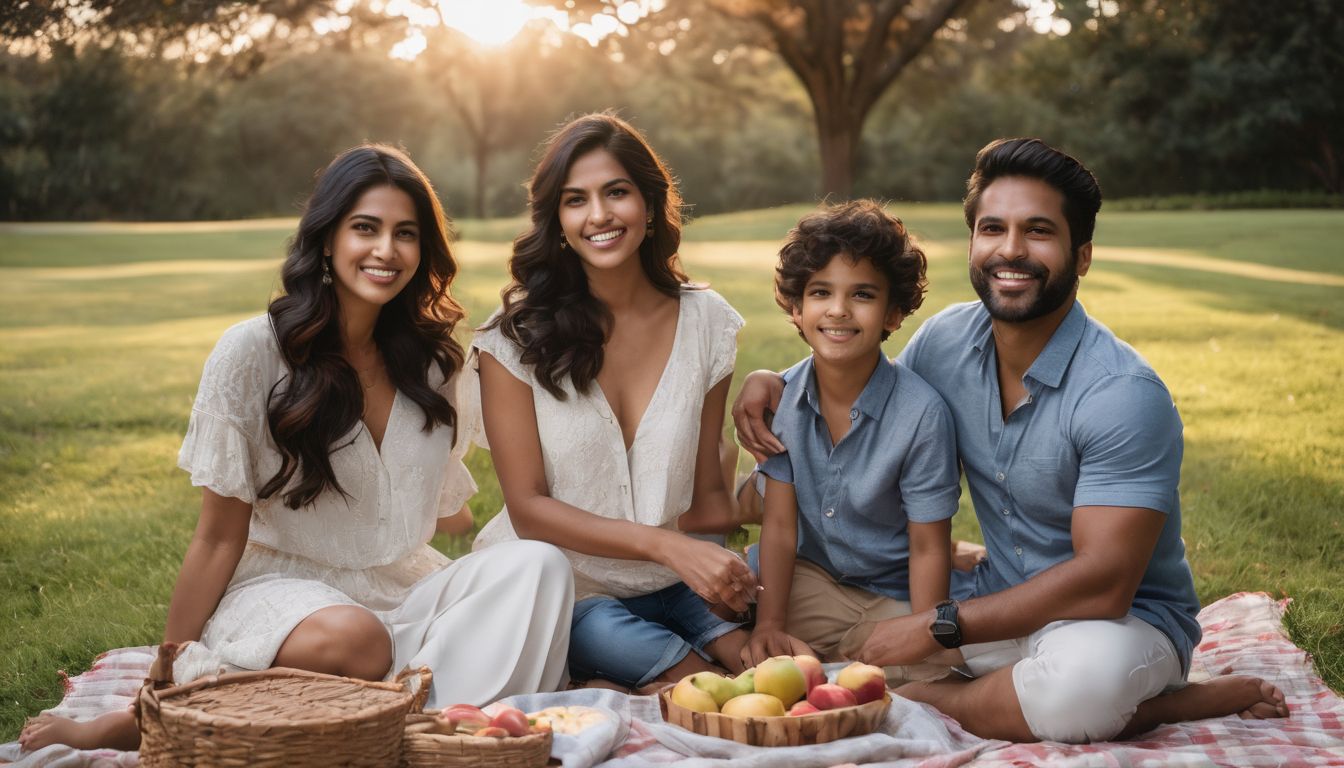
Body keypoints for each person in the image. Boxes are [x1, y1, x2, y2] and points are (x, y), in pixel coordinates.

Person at [19, 144, 573, 753]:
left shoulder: (435, 364)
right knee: (358, 639)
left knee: (539, 564)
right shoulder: (252, 353)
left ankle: (413, 720)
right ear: (328, 238)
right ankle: (186, 709)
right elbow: (217, 537)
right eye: (366, 228)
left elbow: (443, 513)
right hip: (285, 595)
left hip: (402, 589)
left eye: (406, 234)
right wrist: (159, 686)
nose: (386, 250)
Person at [732, 138, 1288, 743]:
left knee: (1080, 685)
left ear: (1082, 255)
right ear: (973, 243)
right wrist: (772, 382)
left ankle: (944, 699)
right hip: (993, 606)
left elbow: (1104, 581)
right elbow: (864, 378)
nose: (1011, 250)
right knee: (757, 606)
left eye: (1039, 231)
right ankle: (1003, 697)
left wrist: (938, 628)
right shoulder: (945, 343)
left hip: (1114, 624)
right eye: (993, 228)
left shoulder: (1123, 393)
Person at [471, 113, 757, 693]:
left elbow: (706, 496)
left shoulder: (707, 324)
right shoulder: (512, 337)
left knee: (763, 664)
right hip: (564, 588)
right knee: (700, 688)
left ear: (650, 206)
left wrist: (727, 573)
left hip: (674, 580)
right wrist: (668, 546)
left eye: (616, 192)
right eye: (576, 200)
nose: (598, 215)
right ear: (557, 220)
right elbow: (527, 508)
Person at [741, 200, 964, 683]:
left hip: (896, 592)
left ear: (893, 313)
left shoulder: (922, 415)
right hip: (813, 582)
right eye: (821, 292)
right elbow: (778, 528)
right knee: (747, 599)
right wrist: (771, 624)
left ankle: (856, 656)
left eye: (862, 295)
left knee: (937, 669)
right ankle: (839, 653)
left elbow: (928, 549)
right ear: (797, 310)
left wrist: (922, 635)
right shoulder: (783, 402)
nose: (839, 310)